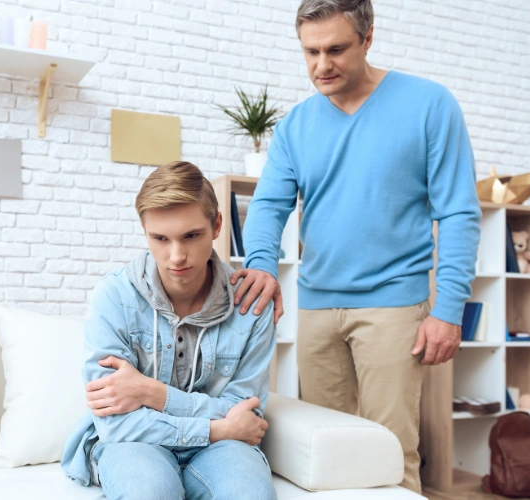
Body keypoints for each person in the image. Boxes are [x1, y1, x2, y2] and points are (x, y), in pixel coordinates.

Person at [230, 0, 481, 494]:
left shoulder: (429, 104)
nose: (321, 65)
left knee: (391, 450)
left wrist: (449, 308)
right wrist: (261, 263)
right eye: (310, 52)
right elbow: (268, 206)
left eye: (336, 49)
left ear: (368, 38)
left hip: (394, 307)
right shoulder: (296, 126)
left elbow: (457, 212)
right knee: (323, 453)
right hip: (319, 308)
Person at [62, 161, 277, 500]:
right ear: (144, 231)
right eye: (160, 239)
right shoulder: (115, 297)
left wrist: (152, 394)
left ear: (217, 225)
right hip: (136, 443)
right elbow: (116, 422)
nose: (177, 256)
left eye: (191, 235)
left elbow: (245, 411)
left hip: (224, 451)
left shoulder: (251, 305)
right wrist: (217, 428)